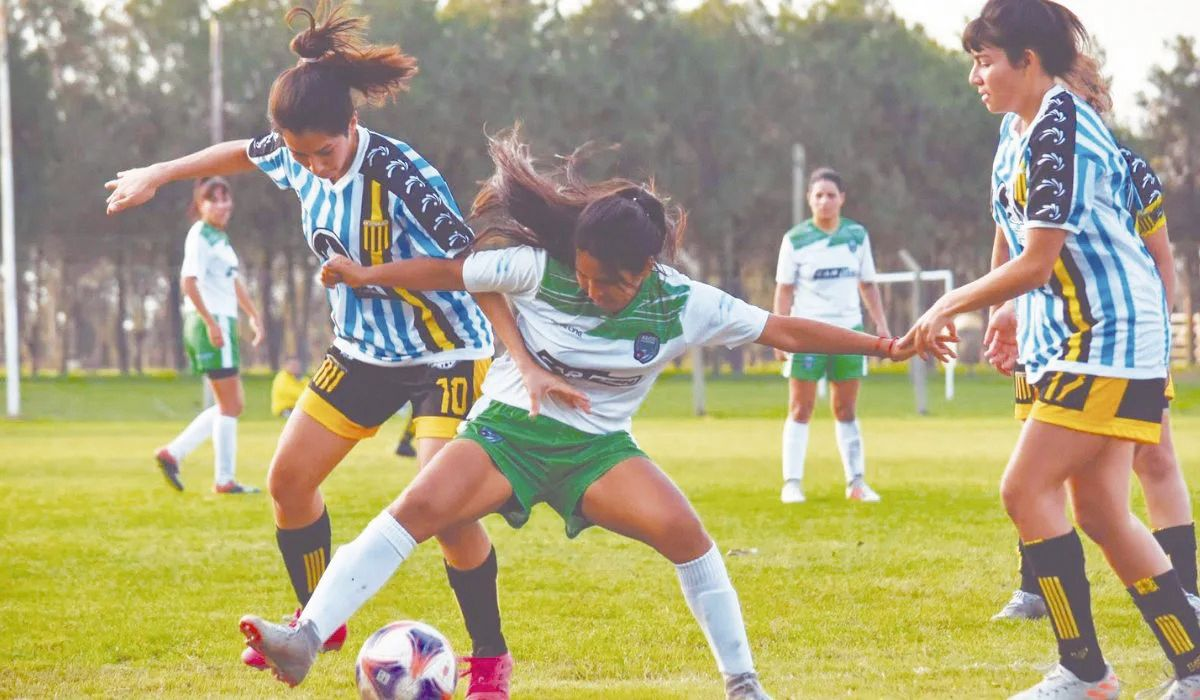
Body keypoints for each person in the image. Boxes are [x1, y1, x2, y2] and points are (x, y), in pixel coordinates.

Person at [236, 129, 938, 699]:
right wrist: (365, 277)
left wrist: (885, 343)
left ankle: (744, 684)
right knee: (415, 510)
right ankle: (305, 638)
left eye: (615, 283)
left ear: (649, 270)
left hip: (597, 452)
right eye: (590, 275)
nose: (598, 290)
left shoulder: (682, 302)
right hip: (506, 431)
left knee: (689, 537)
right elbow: (452, 271)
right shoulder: (540, 268)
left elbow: (784, 330)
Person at [105, 3, 515, 695]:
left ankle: (489, 660)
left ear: (352, 127)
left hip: (447, 351)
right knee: (289, 482)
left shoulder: (400, 172)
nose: (313, 168)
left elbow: (470, 267)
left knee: (445, 511)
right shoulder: (293, 157)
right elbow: (238, 152)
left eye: (324, 152)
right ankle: (317, 622)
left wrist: (374, 278)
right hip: (362, 351)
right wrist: (156, 171)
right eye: (299, 155)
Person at [910, 1, 1200, 696]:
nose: (976, 77)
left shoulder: (1061, 127)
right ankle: (1194, 668)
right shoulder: (1019, 127)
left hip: (1109, 340)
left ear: (1028, 62)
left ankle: (1086, 674)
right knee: (1100, 511)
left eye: (985, 62)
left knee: (1024, 487)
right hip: (1080, 342)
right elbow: (1016, 242)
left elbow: (1039, 261)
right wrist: (1005, 308)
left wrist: (951, 301)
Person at [989, 145, 1198, 623]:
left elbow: (1160, 260)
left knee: (1154, 455)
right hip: (1043, 336)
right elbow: (1006, 244)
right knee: (1040, 461)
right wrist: (1005, 308)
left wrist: (1157, 342)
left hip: (1115, 340)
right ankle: (1034, 590)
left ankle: (1184, 589)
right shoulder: (1015, 156)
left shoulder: (1124, 167)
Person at [773, 168, 890, 504]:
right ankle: (792, 483)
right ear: (809, 199)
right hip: (806, 333)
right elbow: (784, 290)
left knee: (846, 408)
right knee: (800, 407)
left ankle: (856, 483)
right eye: (818, 195)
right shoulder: (795, 239)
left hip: (848, 333)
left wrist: (879, 325)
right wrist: (780, 334)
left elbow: (867, 284)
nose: (825, 201)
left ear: (842, 199)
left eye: (831, 195)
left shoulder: (856, 235)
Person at [154, 177, 263, 495]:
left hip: (222, 321)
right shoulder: (200, 235)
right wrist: (211, 323)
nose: (222, 205)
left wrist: (254, 314)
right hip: (210, 322)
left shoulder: (220, 238)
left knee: (229, 404)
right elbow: (189, 281)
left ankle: (173, 453)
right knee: (231, 405)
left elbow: (233, 282)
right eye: (213, 199)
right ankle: (224, 479)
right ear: (200, 205)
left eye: (226, 198)